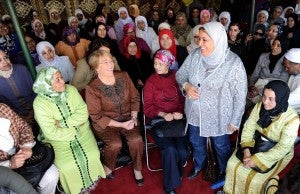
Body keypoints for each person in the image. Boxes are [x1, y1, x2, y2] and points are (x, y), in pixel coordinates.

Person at [176, 22, 247, 180]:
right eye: (199, 39)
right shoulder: (195, 55)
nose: (199, 44)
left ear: (218, 39)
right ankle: (199, 164)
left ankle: (223, 170)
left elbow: (241, 95)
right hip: (195, 112)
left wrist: (235, 121)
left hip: (220, 116)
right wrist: (186, 86)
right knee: (195, 141)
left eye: (204, 40)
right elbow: (180, 75)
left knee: (221, 145)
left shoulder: (233, 64)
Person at [33, 67, 105, 194]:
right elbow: (51, 132)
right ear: (47, 85)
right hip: (58, 140)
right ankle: (73, 189)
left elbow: (83, 112)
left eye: (61, 77)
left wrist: (62, 123)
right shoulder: (39, 104)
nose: (62, 81)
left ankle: (89, 184)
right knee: (67, 166)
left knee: (93, 154)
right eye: (57, 80)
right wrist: (74, 131)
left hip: (83, 132)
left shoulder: (71, 90)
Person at [223, 80, 299, 194]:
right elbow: (248, 128)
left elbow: (283, 148)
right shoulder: (259, 106)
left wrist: (257, 160)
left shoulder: (292, 120)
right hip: (255, 141)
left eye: (270, 99)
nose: (265, 102)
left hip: (275, 152)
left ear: (280, 100)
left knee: (255, 179)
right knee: (232, 164)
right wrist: (246, 151)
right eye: (264, 96)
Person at [85, 50, 144, 186]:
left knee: (137, 139)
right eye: (105, 62)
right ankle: (109, 165)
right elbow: (96, 116)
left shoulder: (123, 75)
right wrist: (121, 125)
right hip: (106, 123)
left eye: (111, 60)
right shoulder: (92, 88)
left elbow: (135, 97)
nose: (110, 64)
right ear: (96, 67)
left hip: (128, 118)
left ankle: (137, 168)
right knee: (115, 144)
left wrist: (134, 117)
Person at [143, 50, 189, 194]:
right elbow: (147, 107)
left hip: (176, 121)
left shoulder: (178, 77)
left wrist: (180, 113)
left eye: (160, 64)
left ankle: (175, 172)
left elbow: (184, 100)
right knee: (170, 150)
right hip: (159, 122)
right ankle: (170, 187)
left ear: (168, 64)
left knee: (182, 151)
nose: (156, 67)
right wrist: (163, 114)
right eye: (155, 63)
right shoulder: (151, 81)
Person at [0, 103, 59, 194]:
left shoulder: (2, 109)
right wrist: (10, 164)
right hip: (5, 174)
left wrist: (26, 146)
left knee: (52, 174)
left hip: (27, 159)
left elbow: (23, 126)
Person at [0, 49, 36, 126]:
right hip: (18, 116)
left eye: (6, 57)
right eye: (0, 60)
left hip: (36, 106)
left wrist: (34, 110)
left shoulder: (22, 69)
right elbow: (5, 105)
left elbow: (35, 90)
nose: (5, 62)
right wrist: (20, 116)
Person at [282, 48, 300, 114]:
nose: (286, 69)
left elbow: (286, 102)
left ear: (299, 65)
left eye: (288, 67)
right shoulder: (295, 73)